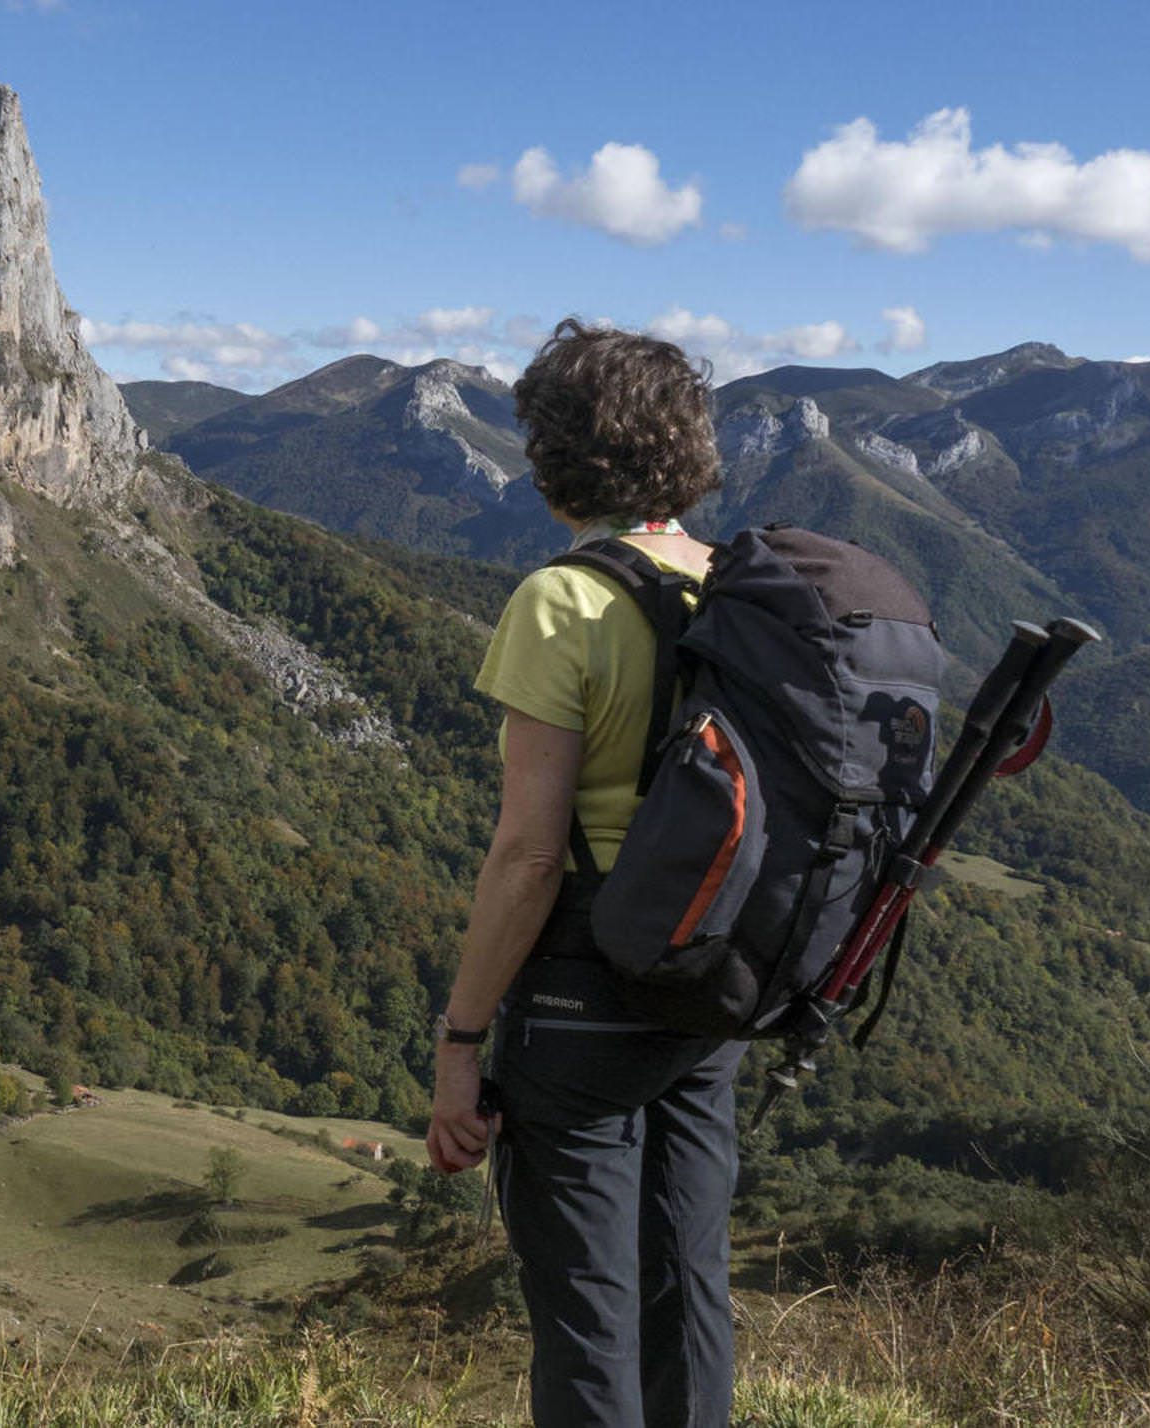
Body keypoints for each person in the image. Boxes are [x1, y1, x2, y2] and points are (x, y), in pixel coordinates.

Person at [427, 318, 744, 1428]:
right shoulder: (736, 590)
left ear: (563, 456)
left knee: (587, 1319)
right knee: (688, 1287)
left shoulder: (560, 602)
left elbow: (526, 853)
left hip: (581, 999)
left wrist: (460, 1041)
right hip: (707, 987)